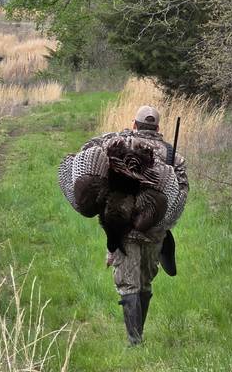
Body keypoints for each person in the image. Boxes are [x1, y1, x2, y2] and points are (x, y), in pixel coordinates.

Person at [60, 105, 189, 345]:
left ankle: (135, 341)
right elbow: (180, 194)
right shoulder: (173, 155)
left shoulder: (116, 141)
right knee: (145, 282)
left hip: (122, 227)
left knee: (128, 283)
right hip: (153, 228)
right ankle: (137, 336)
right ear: (158, 128)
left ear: (134, 124)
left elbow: (88, 152)